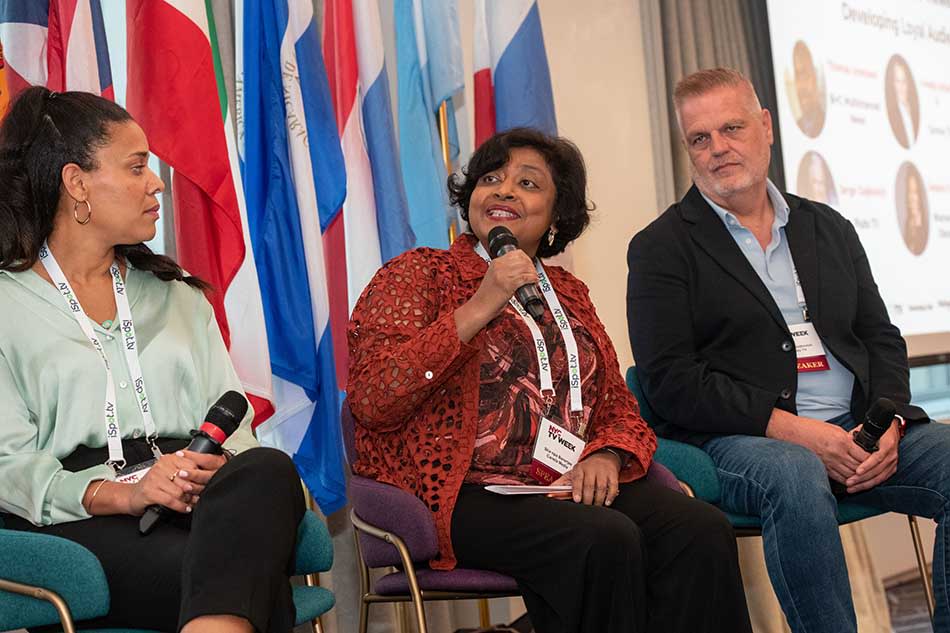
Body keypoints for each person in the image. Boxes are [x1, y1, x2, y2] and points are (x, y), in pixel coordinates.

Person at [347, 127, 753, 633]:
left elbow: (617, 407)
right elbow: (372, 397)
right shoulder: (417, 275)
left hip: (563, 483)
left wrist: (605, 454)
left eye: (528, 183)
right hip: (460, 493)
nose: (504, 190)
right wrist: (479, 306)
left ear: (558, 214)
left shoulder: (568, 292)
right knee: (603, 538)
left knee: (699, 528)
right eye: (490, 178)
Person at [627, 67, 950, 633]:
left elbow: (880, 339)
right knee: (797, 473)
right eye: (700, 139)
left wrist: (892, 421)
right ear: (688, 150)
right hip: (747, 439)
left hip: (859, 430)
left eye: (731, 128)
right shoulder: (661, 248)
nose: (718, 148)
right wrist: (798, 432)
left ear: (766, 126)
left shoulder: (828, 227)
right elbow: (669, 380)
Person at [0, 87, 305, 633]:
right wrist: (125, 493)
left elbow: (237, 436)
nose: (157, 182)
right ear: (77, 183)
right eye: (137, 166)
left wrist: (210, 471)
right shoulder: (6, 303)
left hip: (198, 500)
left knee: (269, 469)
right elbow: (9, 468)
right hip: (84, 515)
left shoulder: (179, 296)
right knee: (247, 581)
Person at [791, 41, 825, 137]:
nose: (801, 86)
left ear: (815, 78)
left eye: (805, 75)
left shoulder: (823, 121)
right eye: (797, 76)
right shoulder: (798, 125)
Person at [887, 55, 919, 149]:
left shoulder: (914, 112)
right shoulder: (892, 112)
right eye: (898, 81)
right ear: (893, 84)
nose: (901, 86)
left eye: (904, 81)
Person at [898, 163, 928, 255]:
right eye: (909, 192)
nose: (912, 198)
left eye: (915, 192)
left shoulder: (923, 226)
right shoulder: (907, 224)